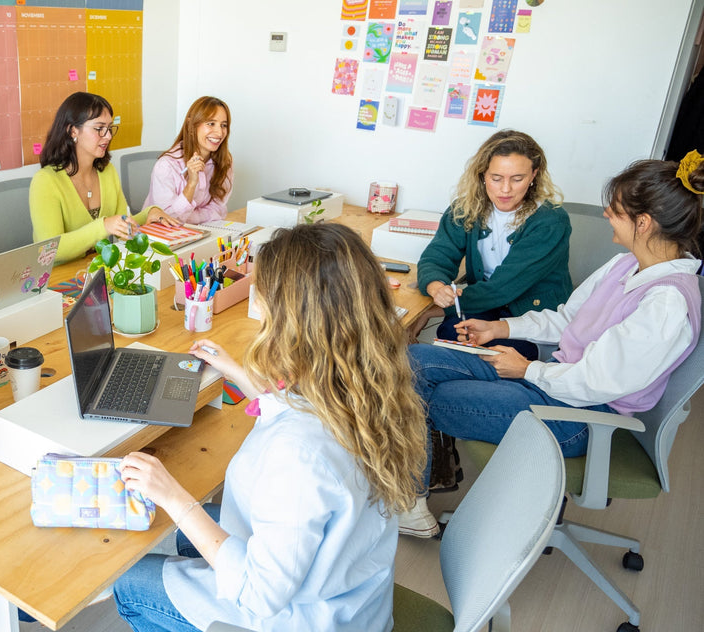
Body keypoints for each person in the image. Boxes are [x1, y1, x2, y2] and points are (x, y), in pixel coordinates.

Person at [112, 223, 427, 631]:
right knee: (183, 533)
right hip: (352, 600)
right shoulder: (370, 386)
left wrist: (173, 495)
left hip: (296, 618)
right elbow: (306, 413)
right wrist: (242, 376)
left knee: (128, 582)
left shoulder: (297, 454)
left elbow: (260, 595)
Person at [398, 153, 704, 538]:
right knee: (410, 363)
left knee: (418, 397)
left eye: (616, 208)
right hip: (551, 384)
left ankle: (408, 502)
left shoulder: (666, 303)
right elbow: (566, 319)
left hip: (579, 416)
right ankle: (411, 496)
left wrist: (527, 369)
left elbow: (599, 382)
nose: (606, 213)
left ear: (642, 223)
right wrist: (500, 328)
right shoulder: (626, 265)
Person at [416, 129, 572, 360]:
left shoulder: (550, 221)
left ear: (533, 176)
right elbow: (436, 256)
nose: (505, 189)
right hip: (487, 305)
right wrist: (435, 287)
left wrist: (433, 311)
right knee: (453, 332)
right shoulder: (465, 208)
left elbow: (502, 288)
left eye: (517, 179)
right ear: (482, 175)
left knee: (459, 343)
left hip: (533, 319)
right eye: (496, 178)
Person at [30, 92, 179, 264]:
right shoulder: (45, 181)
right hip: (57, 280)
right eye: (99, 128)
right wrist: (104, 225)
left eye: (109, 128)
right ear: (73, 131)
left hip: (96, 271)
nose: (108, 136)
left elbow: (121, 223)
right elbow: (51, 249)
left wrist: (148, 214)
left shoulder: (107, 171)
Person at [143, 96, 234, 224]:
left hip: (203, 231)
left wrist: (189, 218)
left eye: (224, 125)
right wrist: (191, 184)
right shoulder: (166, 166)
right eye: (211, 124)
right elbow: (167, 218)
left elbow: (218, 209)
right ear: (191, 125)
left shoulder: (225, 162)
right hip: (163, 236)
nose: (219, 133)